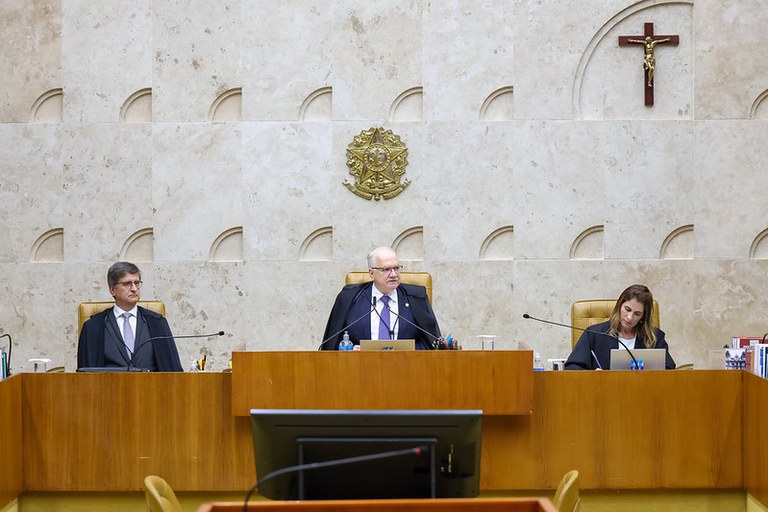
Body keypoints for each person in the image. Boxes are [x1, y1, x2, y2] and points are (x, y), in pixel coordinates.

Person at [321, 247, 441, 350]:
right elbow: (331, 344)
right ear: (371, 273)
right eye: (386, 269)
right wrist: (349, 349)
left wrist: (406, 351)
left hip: (407, 369)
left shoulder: (416, 298)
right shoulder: (350, 298)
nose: (393, 274)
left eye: (396, 268)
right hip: (359, 369)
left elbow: (432, 345)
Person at [77, 262, 183, 371]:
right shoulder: (92, 327)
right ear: (112, 289)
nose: (134, 289)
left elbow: (173, 371)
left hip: (151, 386)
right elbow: (85, 377)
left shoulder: (157, 322)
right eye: (127, 284)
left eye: (136, 283)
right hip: (109, 387)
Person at [565, 284, 676, 370]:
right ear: (619, 306)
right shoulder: (594, 334)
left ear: (643, 317)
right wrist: (593, 377)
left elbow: (669, 369)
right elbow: (572, 367)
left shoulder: (655, 337)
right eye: (627, 309)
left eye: (637, 314)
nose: (629, 317)